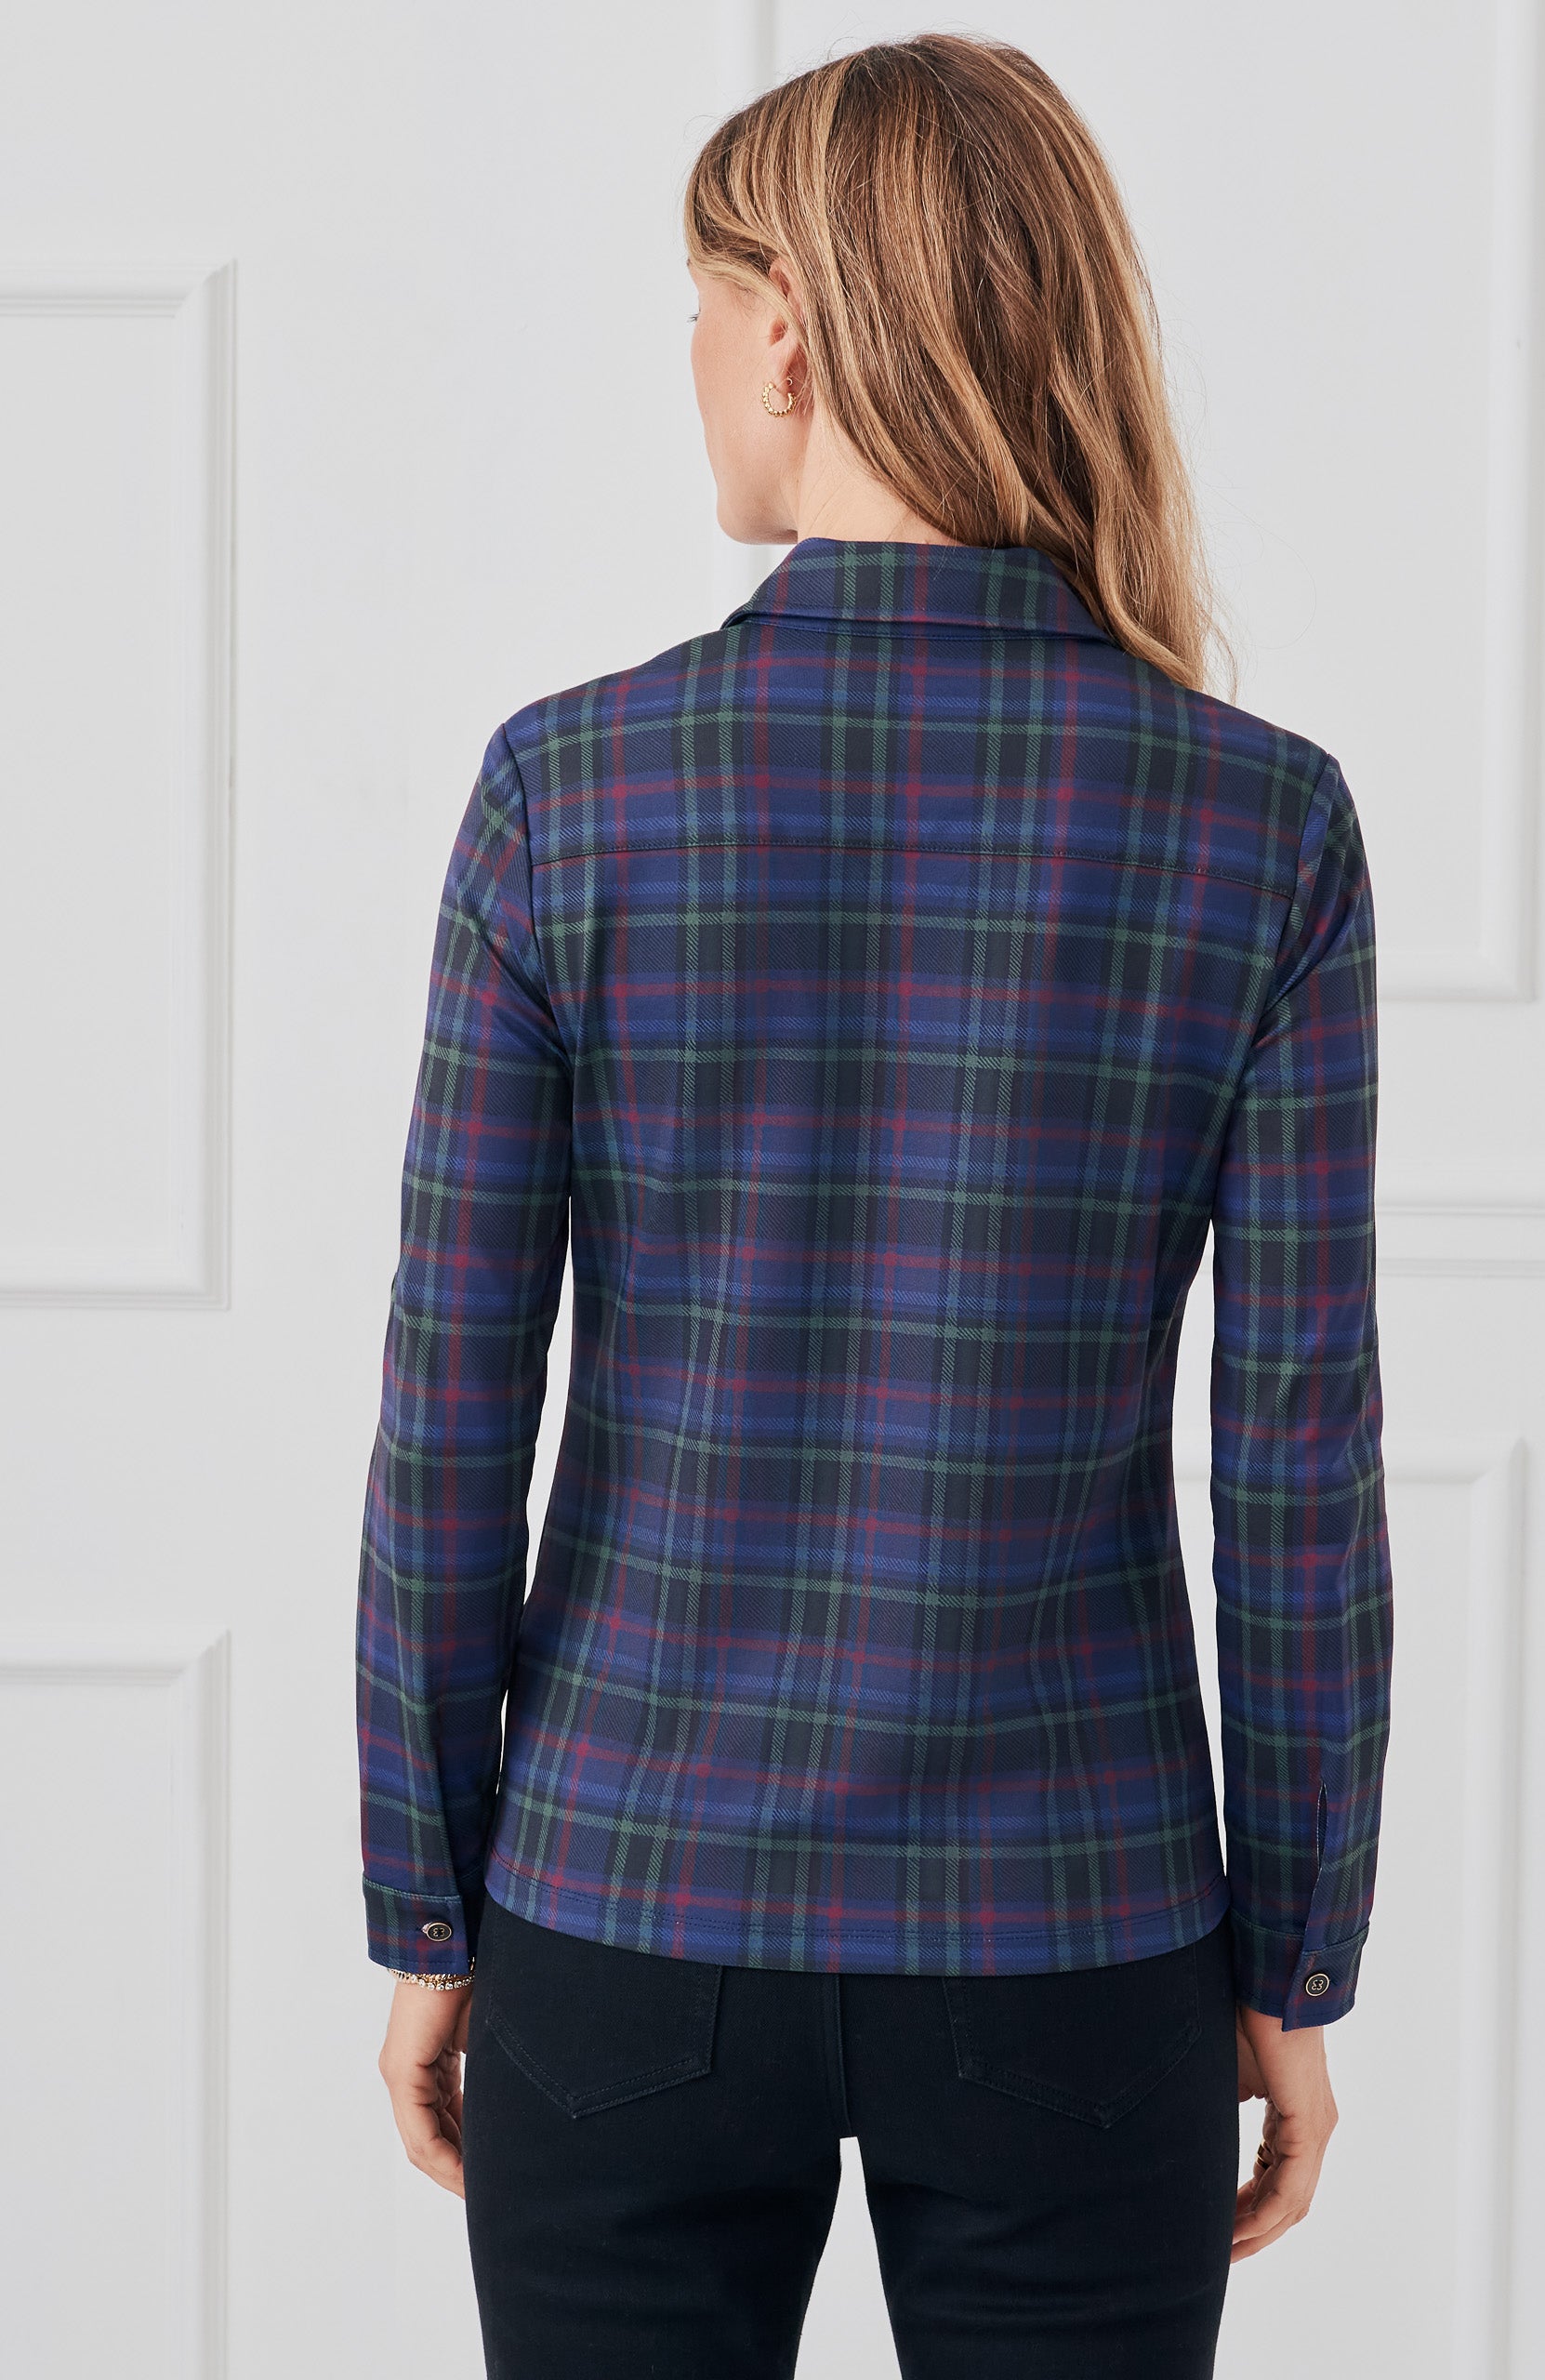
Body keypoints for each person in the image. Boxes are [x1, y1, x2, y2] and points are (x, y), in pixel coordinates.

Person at [357, 31, 1392, 2379]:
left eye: (702, 306)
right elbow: (1296, 1463)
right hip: (1078, 1937)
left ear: (793, 339)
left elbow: (450, 1415)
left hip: (622, 1911)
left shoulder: (565, 794)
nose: (693, 361)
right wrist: (1294, 1960)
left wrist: (430, 1900)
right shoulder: (1262, 826)